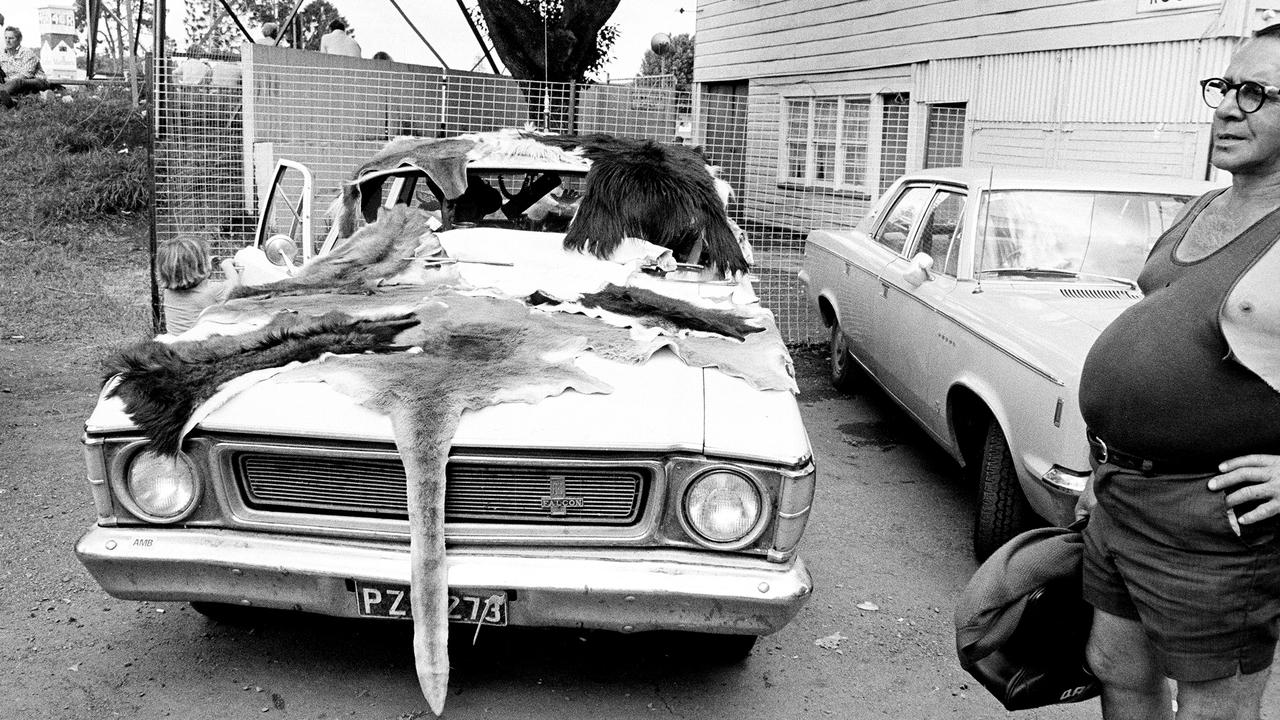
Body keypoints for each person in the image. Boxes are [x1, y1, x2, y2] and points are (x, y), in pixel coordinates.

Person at [1075, 24, 1280, 720]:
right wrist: (1102, 467)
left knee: (1211, 706)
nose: (1227, 107)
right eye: (1225, 87)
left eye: (1256, 93)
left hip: (1213, 520)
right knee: (1118, 667)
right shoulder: (1207, 204)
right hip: (1122, 493)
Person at [157, 235, 241, 335]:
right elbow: (236, 287)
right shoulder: (213, 290)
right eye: (206, 257)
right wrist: (227, 265)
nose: (209, 258)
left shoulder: (168, 292)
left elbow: (192, 284)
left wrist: (207, 270)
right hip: (201, 346)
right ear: (199, 266)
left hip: (176, 343)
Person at [0, 27, 49, 109]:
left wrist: (6, 82)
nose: (8, 41)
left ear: (19, 39)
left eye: (11, 38)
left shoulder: (27, 53)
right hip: (11, 85)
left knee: (17, 82)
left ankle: (3, 95)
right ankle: (12, 102)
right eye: (6, 38)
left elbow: (25, 75)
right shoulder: (2, 55)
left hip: (36, 81)